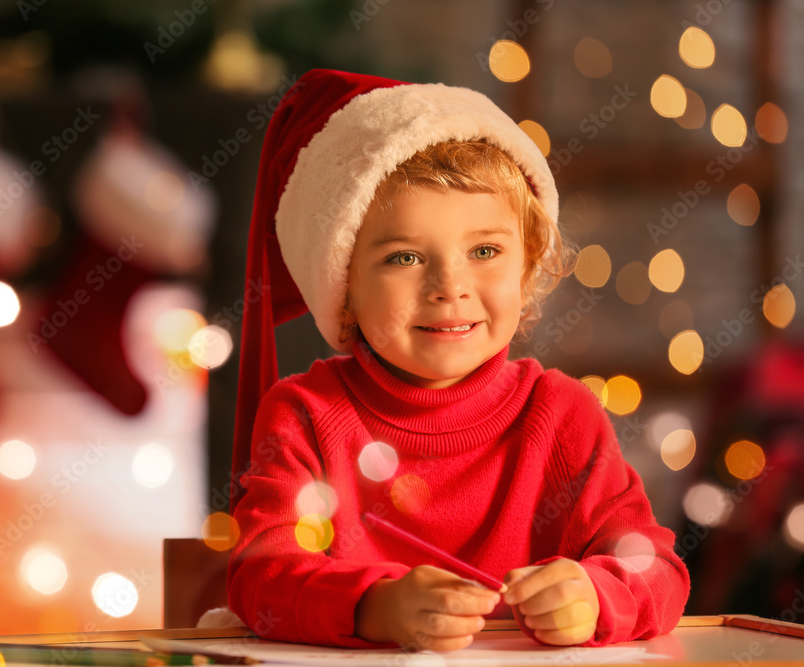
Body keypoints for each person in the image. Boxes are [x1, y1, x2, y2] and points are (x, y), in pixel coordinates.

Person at [224, 68, 690, 652]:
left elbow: (659, 571)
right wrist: (375, 606)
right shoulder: (305, 417)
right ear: (341, 286)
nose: (450, 286)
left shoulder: (562, 415)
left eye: (486, 250)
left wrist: (597, 595)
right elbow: (260, 578)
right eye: (404, 258)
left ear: (527, 266)